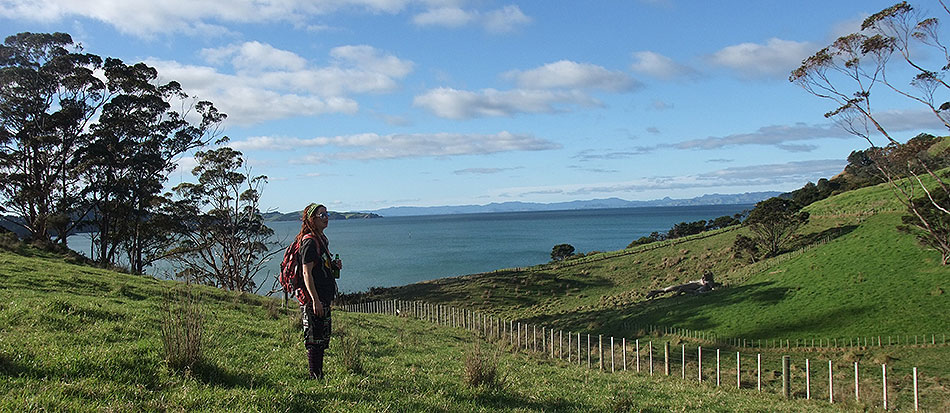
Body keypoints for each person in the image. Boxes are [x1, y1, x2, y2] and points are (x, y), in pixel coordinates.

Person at [296, 203, 342, 379]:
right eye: (322, 215)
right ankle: (315, 376)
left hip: (323, 296)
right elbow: (306, 272)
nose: (326, 218)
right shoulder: (309, 242)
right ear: (312, 219)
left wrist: (333, 266)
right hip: (312, 299)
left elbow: (319, 267)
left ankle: (318, 374)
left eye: (327, 214)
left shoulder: (321, 239)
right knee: (314, 339)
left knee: (322, 338)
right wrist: (314, 300)